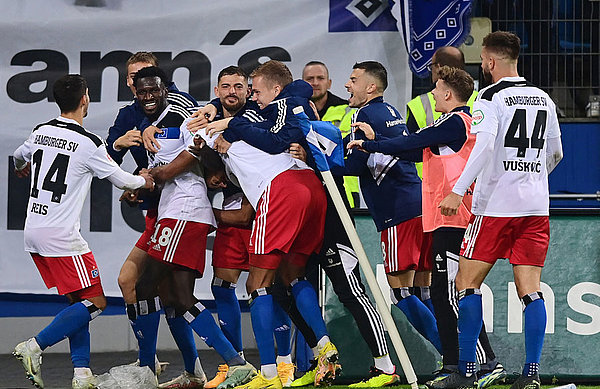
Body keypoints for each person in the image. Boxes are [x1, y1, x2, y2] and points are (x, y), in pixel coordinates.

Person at [347, 66, 507, 388]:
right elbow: (414, 150)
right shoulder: (454, 125)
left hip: (452, 217)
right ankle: (473, 362)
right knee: (452, 290)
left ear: (448, 93)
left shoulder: (454, 122)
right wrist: (379, 142)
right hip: (441, 217)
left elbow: (414, 142)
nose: (431, 95)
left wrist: (368, 146)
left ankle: (470, 364)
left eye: (435, 89)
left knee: (448, 292)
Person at [146, 65, 298, 388]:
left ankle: (284, 363)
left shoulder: (259, 114)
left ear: (248, 91)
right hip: (231, 209)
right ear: (216, 91)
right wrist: (207, 159)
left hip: (265, 208)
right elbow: (211, 166)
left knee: (275, 288)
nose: (232, 92)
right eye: (225, 87)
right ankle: (236, 364)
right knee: (221, 286)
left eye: (239, 87)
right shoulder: (207, 119)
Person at [197, 60, 339, 389]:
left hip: (281, 191)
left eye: (254, 90)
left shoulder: (242, 120)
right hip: (311, 190)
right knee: (293, 276)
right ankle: (324, 345)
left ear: (272, 91)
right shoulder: (273, 114)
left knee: (257, 285)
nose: (252, 96)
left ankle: (269, 374)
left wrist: (209, 119)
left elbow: (195, 125)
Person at [433, 31, 563, 389]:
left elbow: (485, 145)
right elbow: (556, 154)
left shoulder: (490, 96)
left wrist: (459, 191)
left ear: (489, 61)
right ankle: (530, 375)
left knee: (466, 283)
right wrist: (531, 179)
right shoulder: (543, 98)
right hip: (536, 207)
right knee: (531, 290)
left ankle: (467, 372)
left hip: (495, 206)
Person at [12, 74, 154, 389]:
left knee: (79, 300)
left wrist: (21, 168)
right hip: (62, 238)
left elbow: (20, 157)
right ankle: (35, 346)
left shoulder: (41, 131)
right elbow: (124, 181)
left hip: (34, 230)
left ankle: (82, 373)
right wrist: (148, 179)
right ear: (85, 100)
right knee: (97, 303)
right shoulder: (88, 143)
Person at [130, 66, 256, 389]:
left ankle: (145, 371)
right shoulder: (150, 125)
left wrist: (157, 176)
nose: (147, 97)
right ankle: (226, 365)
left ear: (164, 88)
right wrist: (138, 187)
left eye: (153, 90)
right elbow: (159, 171)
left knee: (146, 287)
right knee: (175, 297)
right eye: (141, 91)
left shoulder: (183, 110)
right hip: (177, 211)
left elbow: (196, 149)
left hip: (184, 212)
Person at [333, 61, 444, 360]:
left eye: (353, 79)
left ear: (370, 87)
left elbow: (353, 166)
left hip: (397, 213)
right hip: (419, 205)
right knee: (424, 291)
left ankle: (452, 357)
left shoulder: (363, 114)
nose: (347, 85)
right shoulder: (390, 111)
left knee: (401, 293)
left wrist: (325, 157)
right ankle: (460, 357)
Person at [302, 61, 359, 208]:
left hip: (344, 190)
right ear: (302, 83)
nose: (315, 83)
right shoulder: (293, 113)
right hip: (306, 191)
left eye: (320, 78)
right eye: (310, 79)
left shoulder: (350, 110)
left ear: (329, 83)